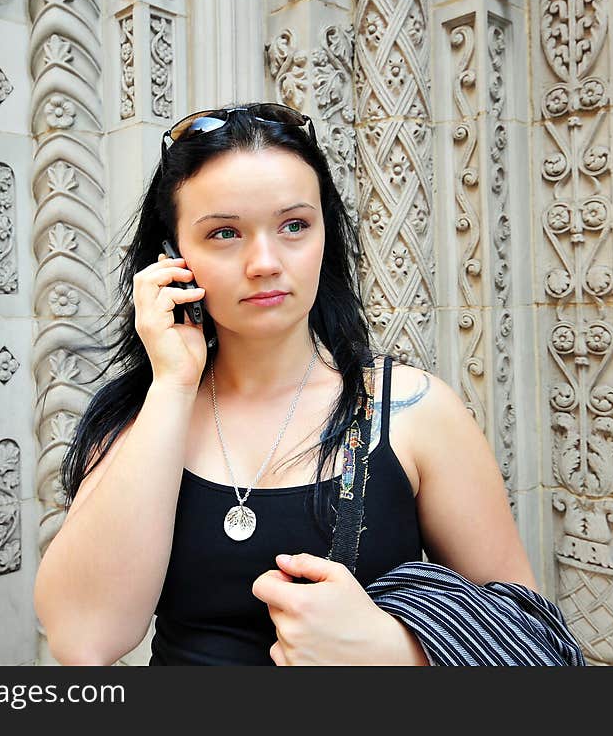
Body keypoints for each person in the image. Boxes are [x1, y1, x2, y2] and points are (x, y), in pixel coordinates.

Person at [33, 102, 551, 666]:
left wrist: (398, 654)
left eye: (294, 226)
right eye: (225, 233)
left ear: (326, 235)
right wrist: (173, 385)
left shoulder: (413, 412)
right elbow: (84, 640)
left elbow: (530, 638)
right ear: (173, 256)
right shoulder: (145, 416)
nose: (264, 262)